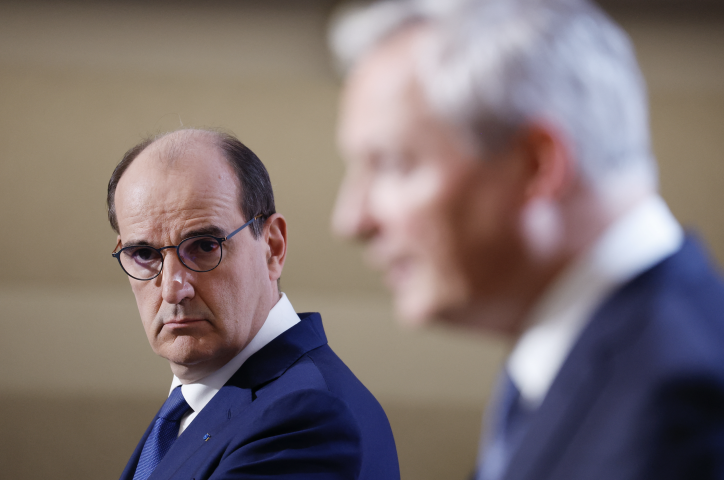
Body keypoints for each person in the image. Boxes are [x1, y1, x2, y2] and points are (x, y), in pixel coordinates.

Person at [329, 0, 724, 479]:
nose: (351, 220)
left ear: (536, 164)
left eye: (392, 164)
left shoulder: (680, 407)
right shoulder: (595, 358)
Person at [107, 128, 399, 480]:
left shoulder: (305, 416)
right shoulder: (197, 403)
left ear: (272, 247)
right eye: (143, 254)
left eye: (203, 246)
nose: (172, 289)